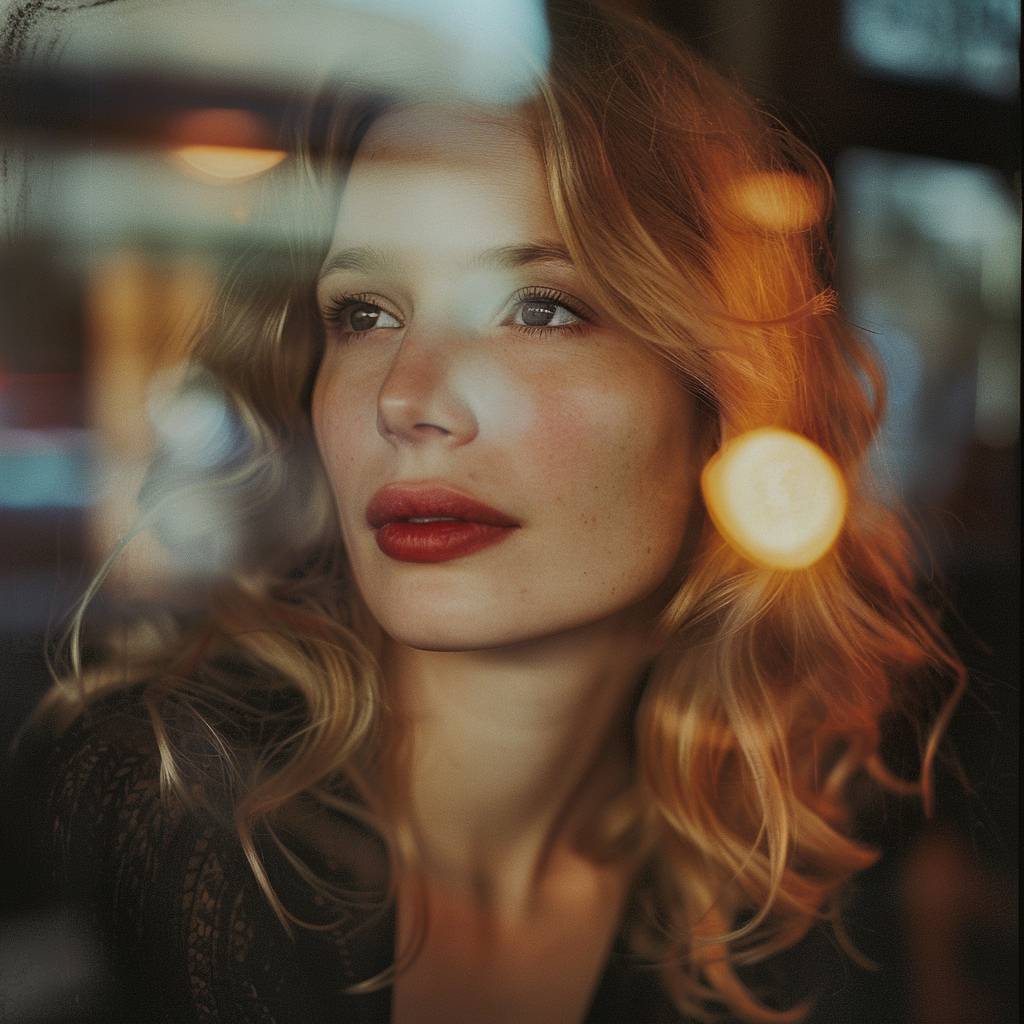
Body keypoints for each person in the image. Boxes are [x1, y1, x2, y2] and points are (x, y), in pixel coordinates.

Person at [3, 2, 964, 1022]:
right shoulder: (127, 805)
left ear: (718, 403)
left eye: (540, 309)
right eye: (364, 314)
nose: (406, 398)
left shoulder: (800, 894)